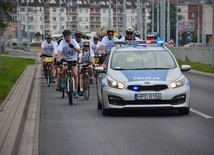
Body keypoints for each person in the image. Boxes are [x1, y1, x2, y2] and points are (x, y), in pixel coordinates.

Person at [57, 29, 81, 98]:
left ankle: (76, 91)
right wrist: (58, 60)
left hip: (73, 60)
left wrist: (73, 47)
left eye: (69, 35)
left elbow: (79, 51)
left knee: (75, 74)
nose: (68, 37)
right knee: (65, 68)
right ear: (64, 36)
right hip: (65, 59)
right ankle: (63, 80)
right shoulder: (62, 42)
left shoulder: (74, 41)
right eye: (66, 36)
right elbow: (59, 52)